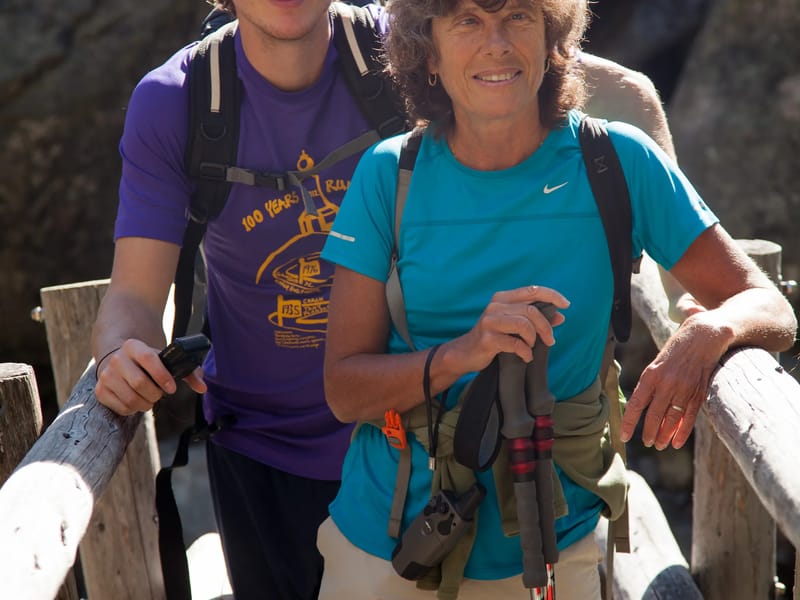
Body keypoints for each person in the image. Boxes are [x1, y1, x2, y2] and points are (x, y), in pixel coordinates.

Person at [320, 1, 797, 600]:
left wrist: (709, 334)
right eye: (466, 20)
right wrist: (463, 353)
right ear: (427, 54)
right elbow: (343, 390)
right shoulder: (387, 176)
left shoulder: (615, 161)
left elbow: (769, 306)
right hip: (390, 543)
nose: (497, 42)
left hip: (551, 547)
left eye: (518, 15)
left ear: (552, 40)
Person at [90, 1, 393, 598]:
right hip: (260, 453)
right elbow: (133, 296)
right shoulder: (178, 100)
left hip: (410, 438)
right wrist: (120, 356)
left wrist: (635, 110)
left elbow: (532, 57)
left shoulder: (402, 53)